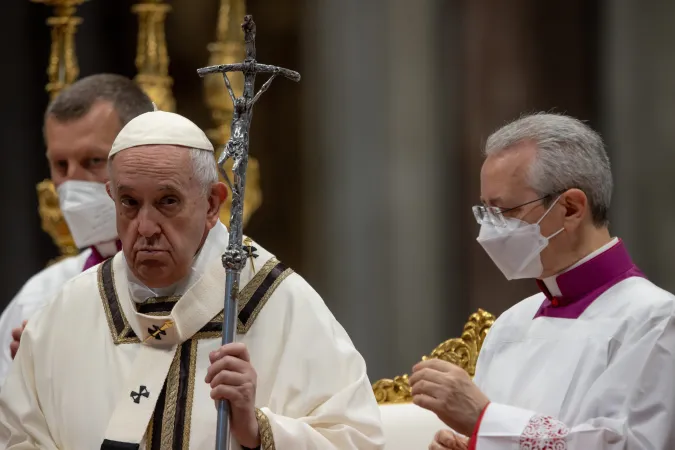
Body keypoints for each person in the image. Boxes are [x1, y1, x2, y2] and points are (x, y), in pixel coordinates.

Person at [0, 110, 384, 449]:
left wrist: (258, 431)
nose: (145, 227)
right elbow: (18, 437)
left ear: (213, 203)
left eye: (168, 201)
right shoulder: (68, 313)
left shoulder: (277, 302)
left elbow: (355, 439)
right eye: (129, 203)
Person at [412, 113, 675, 450]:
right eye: (485, 211)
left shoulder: (654, 321)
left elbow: (631, 446)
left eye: (504, 210)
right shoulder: (511, 324)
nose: (489, 230)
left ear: (570, 208)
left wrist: (484, 419)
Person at [0, 74, 154, 385]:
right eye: (60, 165)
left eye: (94, 160)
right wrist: (30, 388)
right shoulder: (39, 298)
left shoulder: (231, 283)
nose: (72, 183)